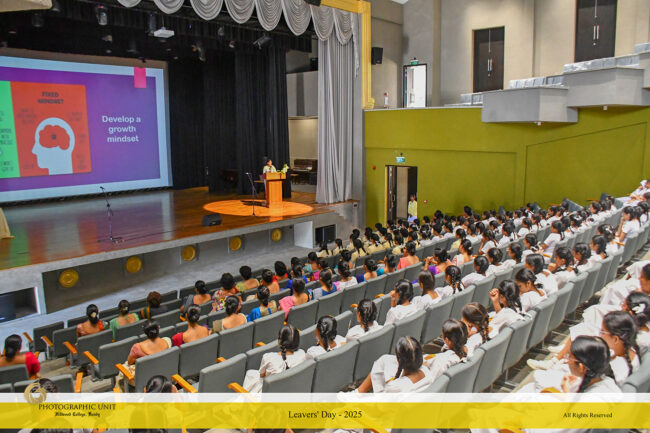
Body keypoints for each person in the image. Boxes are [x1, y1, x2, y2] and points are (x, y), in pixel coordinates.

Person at [355, 336, 433, 393]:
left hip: (387, 408)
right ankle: (359, 392)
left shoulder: (395, 386)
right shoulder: (426, 371)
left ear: (398, 360)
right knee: (384, 360)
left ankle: (358, 393)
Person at [242, 324, 305, 393]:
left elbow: (262, 375)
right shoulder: (302, 353)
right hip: (290, 390)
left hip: (269, 394)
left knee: (250, 374)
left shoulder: (268, 357)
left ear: (279, 341)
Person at [121, 320, 171, 388]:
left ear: (145, 332)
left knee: (123, 368)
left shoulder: (137, 347)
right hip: (164, 374)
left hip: (145, 381)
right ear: (159, 328)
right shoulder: (167, 342)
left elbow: (130, 362)